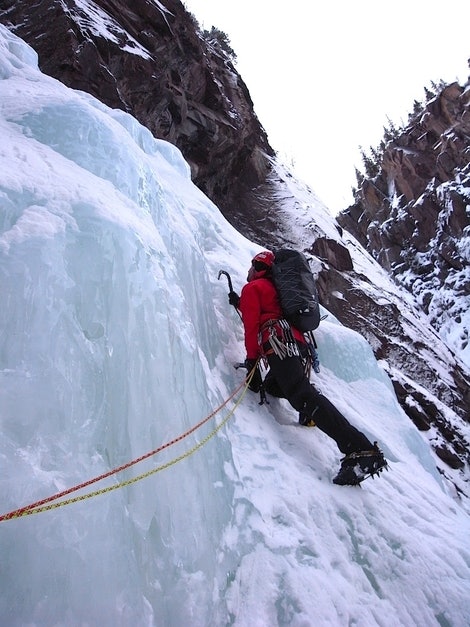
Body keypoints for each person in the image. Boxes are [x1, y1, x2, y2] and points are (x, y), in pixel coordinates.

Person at [230, 250, 387, 486]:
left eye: (252, 266)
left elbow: (253, 327)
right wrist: (240, 304)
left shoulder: (254, 288)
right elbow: (265, 309)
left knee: (301, 394)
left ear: (259, 268)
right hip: (295, 345)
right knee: (278, 386)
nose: (248, 271)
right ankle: (311, 409)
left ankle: (360, 449)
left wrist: (252, 360)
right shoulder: (275, 291)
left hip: (278, 344)